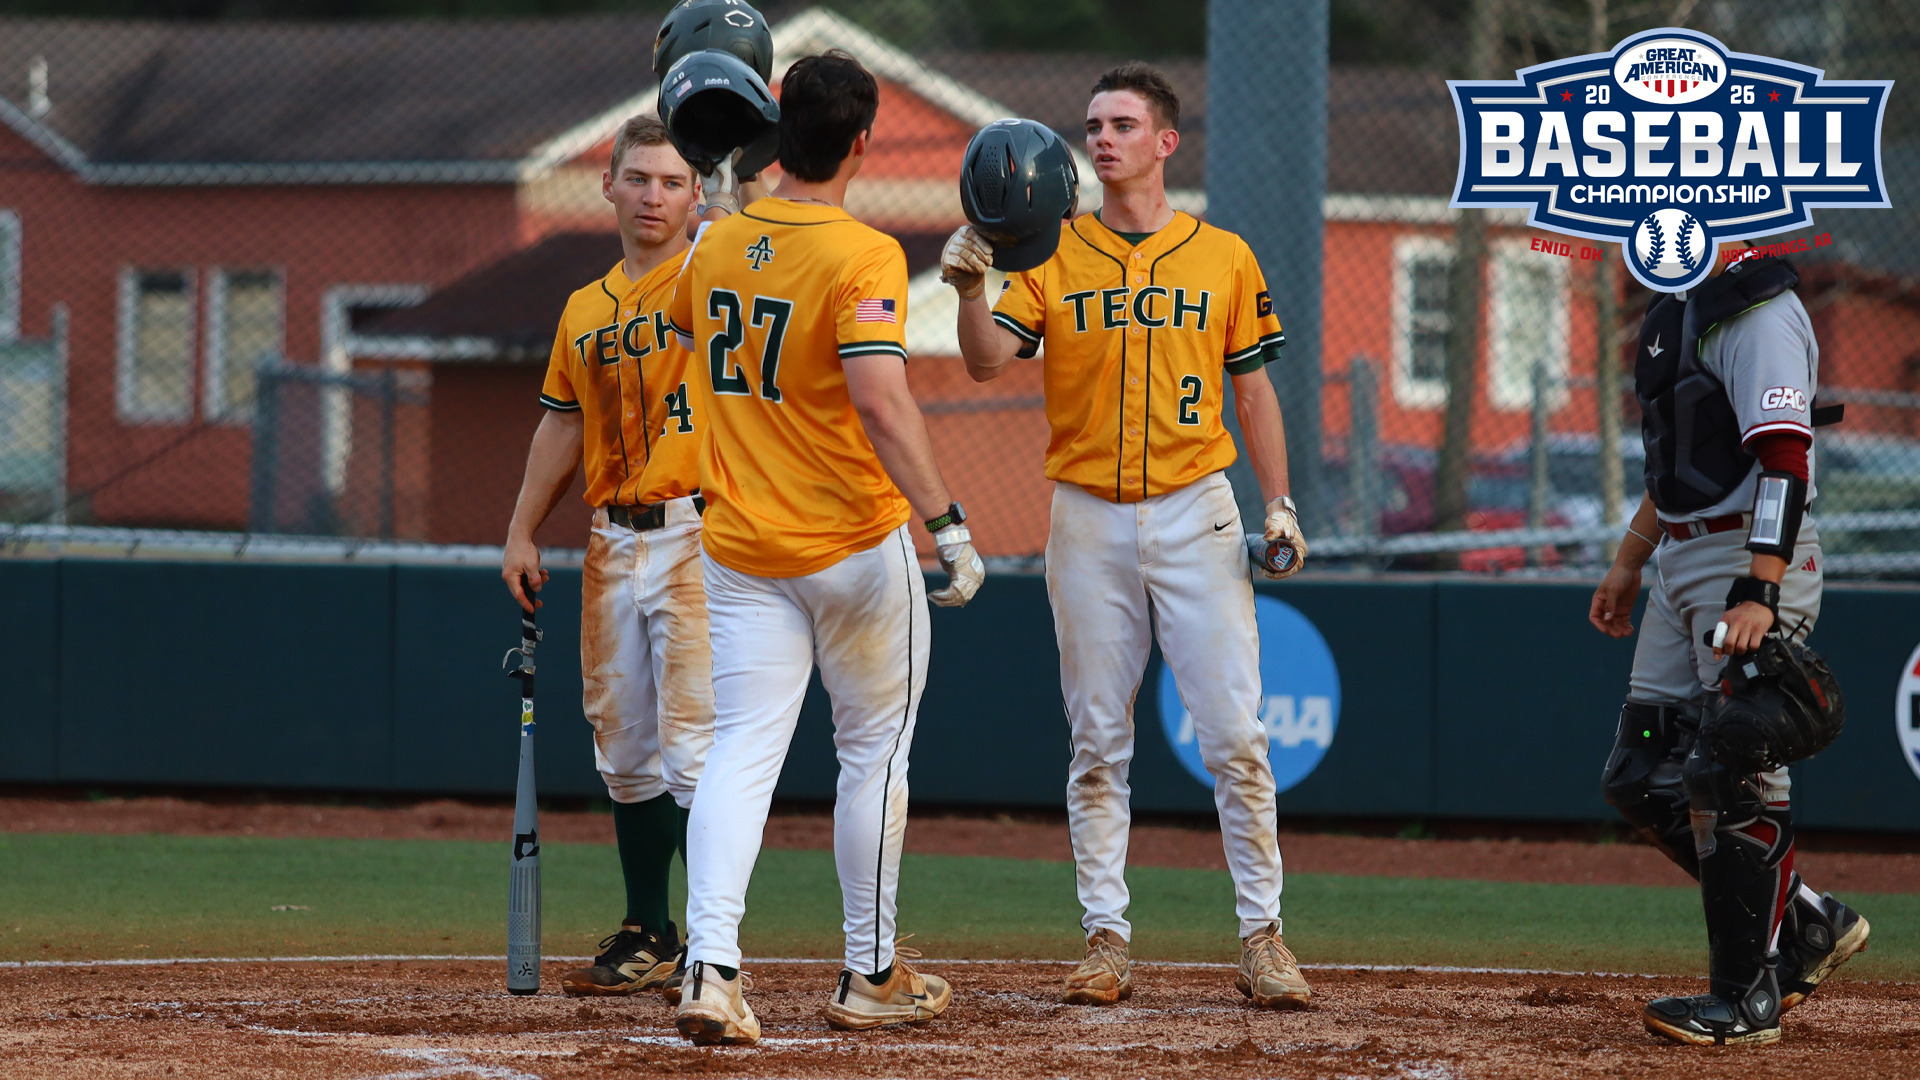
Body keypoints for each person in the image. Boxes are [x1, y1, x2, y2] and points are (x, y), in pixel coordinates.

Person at [941, 62, 1311, 1010]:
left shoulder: (1222, 254)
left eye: (1121, 123)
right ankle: (1105, 938)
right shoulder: (1049, 251)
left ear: (1164, 142)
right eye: (1094, 124)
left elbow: (1255, 387)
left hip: (1198, 505)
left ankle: (1264, 938)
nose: (1101, 137)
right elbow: (985, 367)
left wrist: (1280, 504)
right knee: (1097, 738)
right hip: (1088, 513)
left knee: (1235, 735)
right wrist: (969, 292)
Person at [664, 49, 984, 1046]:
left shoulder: (710, 243)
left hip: (741, 545)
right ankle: (870, 971)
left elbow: (691, 322)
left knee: (739, 755)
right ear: (861, 140)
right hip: (851, 542)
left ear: (774, 127)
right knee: (871, 757)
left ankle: (712, 968)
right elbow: (882, 400)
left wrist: (739, 208)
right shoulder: (865, 252)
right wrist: (949, 523)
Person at [1590, 244, 1869, 1046]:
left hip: (1743, 557)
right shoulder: (1679, 303)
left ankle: (1746, 1000)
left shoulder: (1759, 310)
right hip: (1680, 553)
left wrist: (1760, 584)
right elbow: (1677, 456)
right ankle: (1808, 923)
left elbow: (1785, 454)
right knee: (1643, 774)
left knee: (1732, 760)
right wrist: (1630, 558)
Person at [500, 115, 712, 999]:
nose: (654, 195)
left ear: (697, 193)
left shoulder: (712, 278)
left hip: (701, 532)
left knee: (696, 750)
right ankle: (650, 929)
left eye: (672, 181)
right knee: (624, 749)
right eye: (640, 179)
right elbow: (562, 418)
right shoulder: (584, 308)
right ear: (609, 185)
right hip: (608, 540)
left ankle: (713, 940)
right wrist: (520, 528)